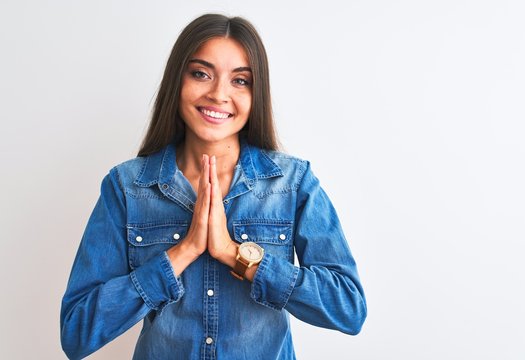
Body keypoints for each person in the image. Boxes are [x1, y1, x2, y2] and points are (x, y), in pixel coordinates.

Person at [60, 13, 367, 360]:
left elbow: (348, 308)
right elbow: (76, 332)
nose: (219, 94)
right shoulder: (127, 187)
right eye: (201, 74)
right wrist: (182, 252)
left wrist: (237, 256)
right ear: (178, 81)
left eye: (240, 81)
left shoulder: (292, 184)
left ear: (256, 94)